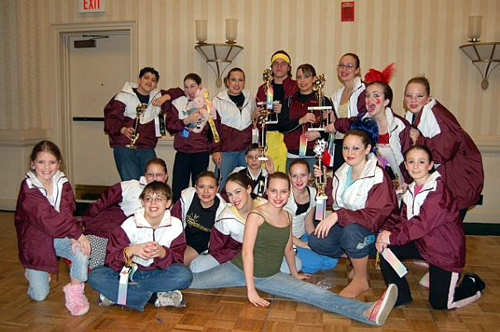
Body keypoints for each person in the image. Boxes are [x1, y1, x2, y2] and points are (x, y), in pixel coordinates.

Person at [190, 172, 398, 327]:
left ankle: (367, 312)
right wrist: (251, 291)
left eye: (283, 191)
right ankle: (159, 286)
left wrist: (294, 273)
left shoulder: (287, 216)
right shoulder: (256, 215)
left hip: (270, 275)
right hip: (236, 270)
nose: (278, 196)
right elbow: (246, 253)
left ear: (288, 193)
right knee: (194, 282)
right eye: (273, 191)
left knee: (315, 294)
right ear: (266, 192)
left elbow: (289, 248)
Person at [376, 146, 485, 309]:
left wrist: (390, 237)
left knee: (440, 304)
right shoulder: (410, 191)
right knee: (386, 249)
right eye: (411, 162)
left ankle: (472, 283)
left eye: (421, 162)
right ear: (405, 165)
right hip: (422, 244)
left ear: (430, 165)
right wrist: (386, 235)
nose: (415, 166)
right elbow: (404, 222)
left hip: (444, 252)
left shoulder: (438, 191)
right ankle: (401, 294)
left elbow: (421, 224)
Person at [308, 124, 398, 298]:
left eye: (356, 148)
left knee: (351, 232)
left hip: (379, 232)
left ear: (367, 149)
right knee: (317, 239)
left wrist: (338, 215)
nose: (350, 152)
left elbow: (374, 218)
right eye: (346, 148)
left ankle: (361, 279)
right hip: (353, 226)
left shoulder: (378, 176)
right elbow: (337, 201)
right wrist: (322, 183)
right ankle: (356, 258)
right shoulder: (342, 172)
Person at [88, 182, 193, 311]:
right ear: (142, 202)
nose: (153, 203)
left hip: (157, 274)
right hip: (129, 274)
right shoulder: (129, 223)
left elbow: (177, 260)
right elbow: (111, 260)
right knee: (95, 276)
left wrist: (162, 253)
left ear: (168, 203)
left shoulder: (175, 224)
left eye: (159, 199)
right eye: (148, 199)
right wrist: (131, 250)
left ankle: (120, 295)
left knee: (184, 275)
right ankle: (153, 297)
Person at [15, 140, 91, 316]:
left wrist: (74, 237)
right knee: (40, 296)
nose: (47, 167)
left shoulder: (62, 182)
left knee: (82, 249)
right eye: (41, 162)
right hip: (36, 242)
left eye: (52, 162)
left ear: (59, 163)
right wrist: (77, 234)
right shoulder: (28, 188)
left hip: (60, 236)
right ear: (32, 163)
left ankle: (75, 294)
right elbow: (47, 219)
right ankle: (33, 274)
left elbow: (66, 211)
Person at [404, 76, 483, 220]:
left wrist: (419, 140)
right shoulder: (412, 116)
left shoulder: (436, 115)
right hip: (448, 180)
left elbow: (444, 151)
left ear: (428, 98)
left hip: (458, 180)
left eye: (419, 96)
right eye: (409, 96)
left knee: (449, 230)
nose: (413, 100)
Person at [82, 158, 168, 269]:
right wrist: (85, 223)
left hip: (136, 241)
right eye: (150, 174)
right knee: (96, 266)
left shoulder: (168, 199)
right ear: (144, 175)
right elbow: (102, 202)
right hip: (108, 233)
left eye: (159, 175)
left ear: (166, 177)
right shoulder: (131, 186)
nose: (154, 179)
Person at [104, 67, 183, 181]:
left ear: (156, 84)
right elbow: (110, 119)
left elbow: (179, 92)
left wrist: (164, 98)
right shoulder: (123, 96)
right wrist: (123, 129)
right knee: (131, 184)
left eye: (153, 80)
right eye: (146, 78)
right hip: (125, 146)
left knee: (152, 182)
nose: (149, 82)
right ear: (139, 79)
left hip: (146, 147)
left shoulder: (158, 96)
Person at [335, 78, 412, 190]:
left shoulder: (400, 126)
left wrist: (408, 181)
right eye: (367, 95)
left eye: (376, 95)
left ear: (386, 101)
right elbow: (347, 123)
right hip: (377, 182)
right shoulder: (364, 123)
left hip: (403, 182)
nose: (370, 100)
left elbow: (409, 156)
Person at [189, 172, 267, 273]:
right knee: (196, 267)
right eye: (230, 194)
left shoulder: (265, 206)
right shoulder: (226, 218)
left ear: (248, 189)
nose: (234, 198)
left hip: (262, 252)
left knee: (289, 265)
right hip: (233, 256)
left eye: (238, 192)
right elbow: (215, 248)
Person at [164, 73, 216, 202]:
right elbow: (170, 126)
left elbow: (214, 130)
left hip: (201, 152)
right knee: (178, 187)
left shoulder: (208, 104)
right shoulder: (178, 102)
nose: (189, 90)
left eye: (192, 86)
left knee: (201, 187)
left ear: (199, 86)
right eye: (186, 87)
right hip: (183, 152)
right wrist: (186, 120)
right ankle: (177, 215)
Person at [284, 159, 339, 273]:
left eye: (303, 175)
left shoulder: (313, 192)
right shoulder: (285, 197)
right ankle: (285, 258)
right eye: (294, 176)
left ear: (309, 175)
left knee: (331, 261)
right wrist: (303, 245)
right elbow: (283, 231)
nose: (299, 180)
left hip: (303, 234)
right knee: (315, 264)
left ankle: (299, 258)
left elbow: (308, 223)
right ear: (289, 177)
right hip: (286, 238)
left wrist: (315, 242)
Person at [278, 64, 333, 171]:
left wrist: (318, 134)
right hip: (293, 156)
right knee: (292, 187)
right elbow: (282, 126)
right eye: (299, 77)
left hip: (315, 155)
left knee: (315, 187)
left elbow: (332, 127)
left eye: (306, 76)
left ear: (314, 79)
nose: (302, 80)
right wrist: (300, 120)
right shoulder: (289, 101)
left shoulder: (323, 100)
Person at [211, 68, 255, 191]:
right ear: (227, 82)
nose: (237, 83)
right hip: (226, 152)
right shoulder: (218, 101)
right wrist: (216, 150)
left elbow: (254, 122)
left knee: (246, 186)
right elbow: (213, 127)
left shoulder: (250, 99)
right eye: (233, 80)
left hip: (245, 152)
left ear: (244, 82)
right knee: (221, 186)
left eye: (240, 80)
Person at [170, 171, 227, 265]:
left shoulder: (223, 211)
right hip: (181, 240)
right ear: (195, 188)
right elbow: (173, 219)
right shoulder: (187, 197)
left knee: (175, 262)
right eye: (201, 187)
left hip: (199, 247)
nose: (206, 191)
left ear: (217, 189)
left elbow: (220, 241)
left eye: (211, 187)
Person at [255, 50, 298, 172]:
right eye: (276, 63)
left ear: (289, 67)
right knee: (267, 171)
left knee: (287, 173)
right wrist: (255, 115)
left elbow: (300, 111)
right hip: (268, 136)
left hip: (289, 136)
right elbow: (258, 113)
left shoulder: (296, 87)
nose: (279, 66)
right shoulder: (262, 89)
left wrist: (285, 111)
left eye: (283, 63)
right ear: (271, 67)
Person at [325, 53, 367, 171]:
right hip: (339, 144)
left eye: (349, 66)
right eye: (341, 66)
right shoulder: (337, 93)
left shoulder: (364, 91)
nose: (344, 69)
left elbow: (362, 120)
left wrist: (336, 125)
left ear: (357, 70)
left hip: (356, 146)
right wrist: (332, 118)